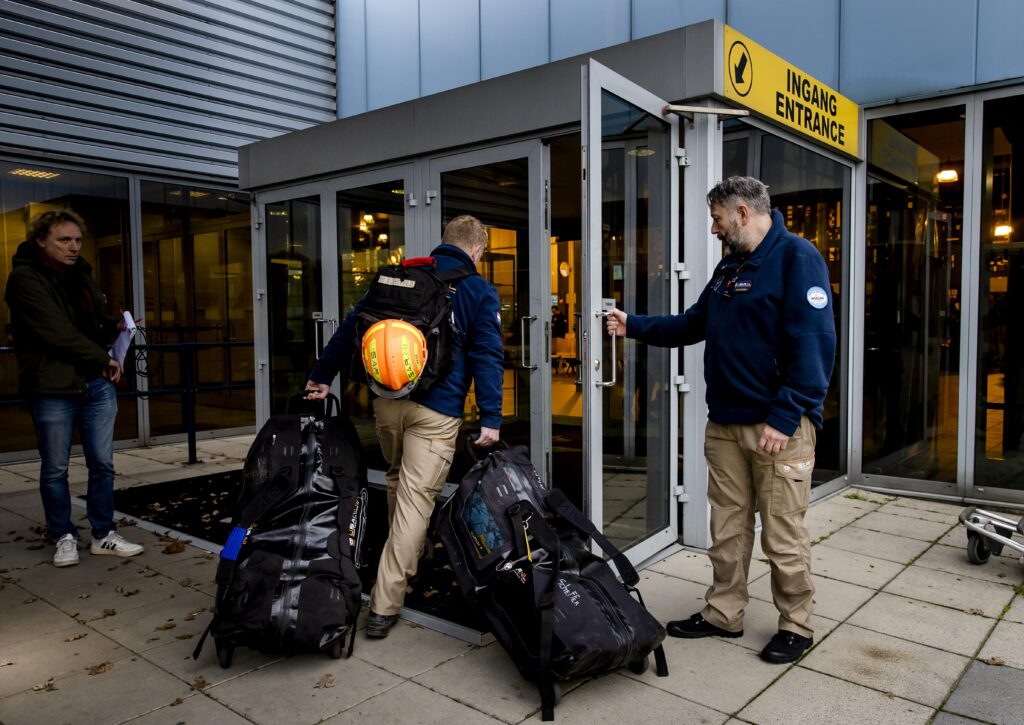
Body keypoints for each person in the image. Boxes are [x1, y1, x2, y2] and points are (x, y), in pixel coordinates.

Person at [606, 177, 836, 664]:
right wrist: (635, 326)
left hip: (778, 427)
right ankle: (723, 614)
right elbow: (694, 323)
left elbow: (815, 347)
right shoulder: (731, 266)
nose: (713, 228)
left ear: (742, 212)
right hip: (726, 424)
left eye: (716, 218)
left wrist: (784, 415)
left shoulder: (798, 258)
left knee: (782, 534)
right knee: (728, 528)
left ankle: (796, 624)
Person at [305, 214, 503, 639]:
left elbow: (349, 331)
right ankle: (384, 602)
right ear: (476, 250)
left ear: (443, 242)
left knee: (399, 480)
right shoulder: (476, 289)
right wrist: (491, 416)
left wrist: (322, 375)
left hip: (386, 403)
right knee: (416, 500)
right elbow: (488, 354)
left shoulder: (397, 279)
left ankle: (415, 552)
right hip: (437, 411)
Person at [5, 210, 144, 567]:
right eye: (64, 240)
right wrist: (103, 358)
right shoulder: (25, 278)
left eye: (77, 240)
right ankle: (63, 534)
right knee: (55, 468)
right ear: (41, 240)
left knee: (103, 464)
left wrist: (116, 325)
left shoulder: (81, 274)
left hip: (95, 385)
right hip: (53, 387)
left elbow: (87, 324)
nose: (73, 247)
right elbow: (56, 332)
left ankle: (103, 533)